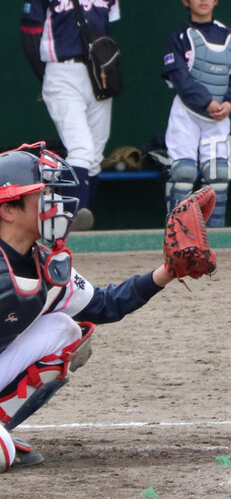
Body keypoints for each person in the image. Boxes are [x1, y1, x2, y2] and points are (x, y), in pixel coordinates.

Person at [0, 143, 179, 468]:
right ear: (8, 210)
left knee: (66, 331)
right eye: (41, 194)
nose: (54, 203)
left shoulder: (47, 267)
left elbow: (106, 304)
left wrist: (166, 273)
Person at [20, 0, 121, 231]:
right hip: (61, 71)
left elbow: (105, 37)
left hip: (98, 75)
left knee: (95, 153)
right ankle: (72, 220)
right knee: (80, 146)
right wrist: (46, 78)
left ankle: (79, 221)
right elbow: (29, 36)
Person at [161, 0, 231, 227]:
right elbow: (179, 78)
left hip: (219, 115)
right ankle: (178, 233)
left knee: (218, 174)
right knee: (183, 172)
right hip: (186, 113)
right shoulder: (178, 36)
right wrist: (206, 102)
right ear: (185, 0)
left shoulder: (230, 36)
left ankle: (214, 234)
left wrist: (230, 102)